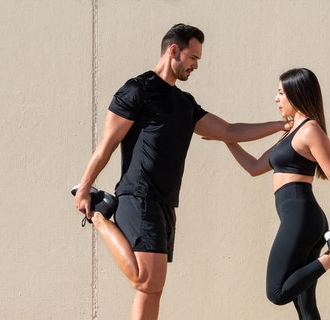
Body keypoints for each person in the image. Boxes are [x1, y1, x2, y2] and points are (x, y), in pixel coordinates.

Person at [73, 23, 290, 320]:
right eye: (193, 57)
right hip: (139, 194)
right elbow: (107, 144)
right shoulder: (138, 89)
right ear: (173, 50)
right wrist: (85, 187)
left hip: (164, 202)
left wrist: (281, 126)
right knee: (146, 279)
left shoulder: (185, 104)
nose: (196, 65)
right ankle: (99, 215)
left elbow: (229, 130)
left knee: (153, 288)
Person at [212, 68, 330, 319]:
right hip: (301, 217)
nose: (276, 99)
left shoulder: (310, 130)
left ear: (295, 93)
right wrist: (227, 140)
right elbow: (255, 168)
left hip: (302, 216)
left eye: (280, 93)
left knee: (277, 292)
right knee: (305, 305)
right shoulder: (290, 133)